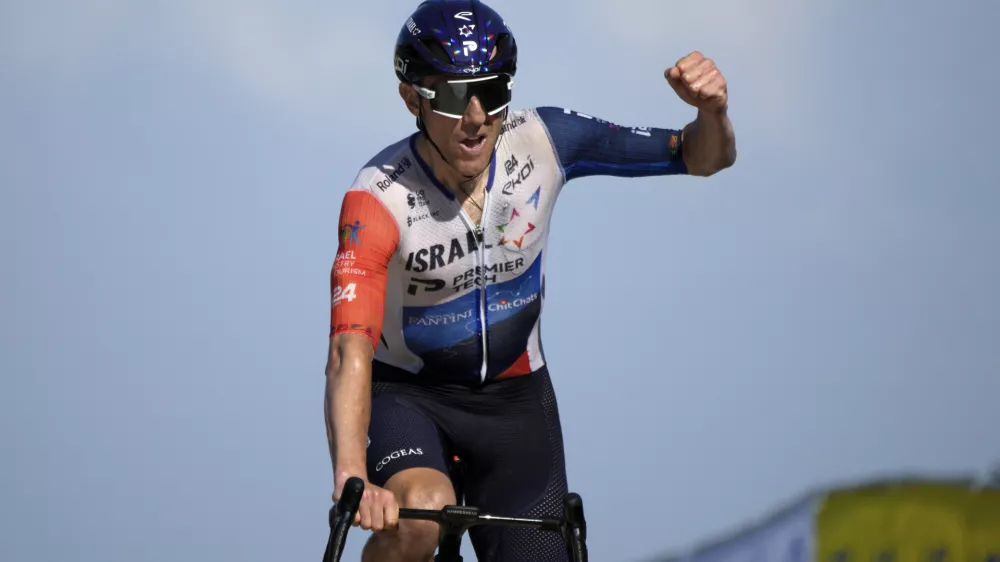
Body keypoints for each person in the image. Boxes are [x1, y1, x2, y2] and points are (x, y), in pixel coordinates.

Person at [323, 1, 736, 560]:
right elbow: (350, 349)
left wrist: (712, 113)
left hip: (515, 402)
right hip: (411, 397)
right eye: (449, 95)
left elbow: (701, 157)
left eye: (491, 92)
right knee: (421, 512)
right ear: (410, 98)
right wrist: (354, 478)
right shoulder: (377, 198)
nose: (475, 116)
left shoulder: (544, 140)